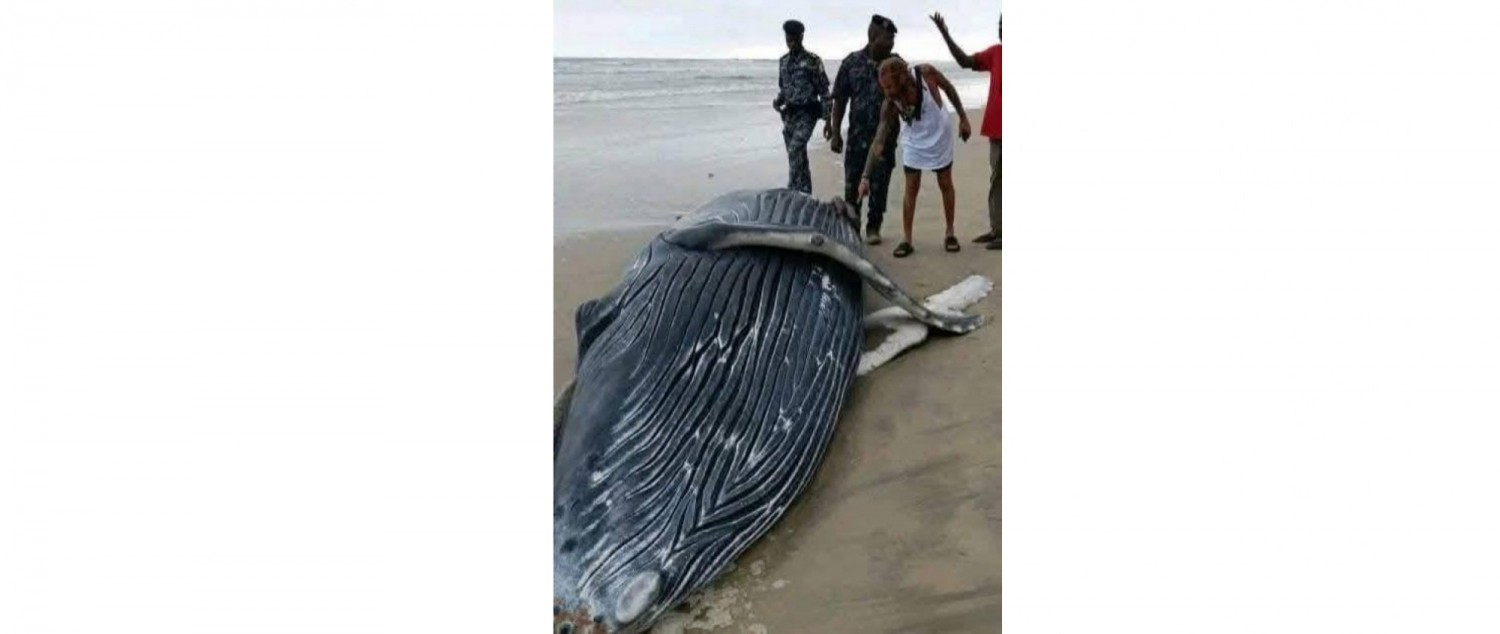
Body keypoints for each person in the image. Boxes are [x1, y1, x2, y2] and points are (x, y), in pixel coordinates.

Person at [857, 57, 971, 257]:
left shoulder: (926, 74)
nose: (887, 92)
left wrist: (963, 117)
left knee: (945, 183)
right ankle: (906, 239)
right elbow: (879, 141)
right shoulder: (891, 104)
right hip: (914, 139)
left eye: (889, 86)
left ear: (902, 77)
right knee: (911, 187)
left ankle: (950, 232)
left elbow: (949, 88)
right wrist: (865, 177)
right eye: (883, 88)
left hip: (939, 133)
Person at [932, 11, 1002, 250]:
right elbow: (964, 61)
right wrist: (946, 34)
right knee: (997, 180)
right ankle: (998, 229)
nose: (1002, 29)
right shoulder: (996, 53)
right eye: (1000, 25)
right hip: (998, 131)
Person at [830, 15, 900, 245]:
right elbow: (840, 99)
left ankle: (873, 226)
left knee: (880, 184)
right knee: (852, 185)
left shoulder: (895, 64)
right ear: (873, 37)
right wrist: (835, 130)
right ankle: (852, 227)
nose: (891, 44)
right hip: (857, 138)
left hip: (885, 139)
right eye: (887, 39)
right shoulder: (851, 62)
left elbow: (906, 98)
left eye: (892, 40)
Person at [773, 20, 831, 194]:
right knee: (798, 156)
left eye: (794, 38)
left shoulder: (813, 61)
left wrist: (828, 121)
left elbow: (825, 93)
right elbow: (785, 88)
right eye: (788, 38)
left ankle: (793, 189)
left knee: (795, 149)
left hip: (808, 113)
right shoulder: (783, 62)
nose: (791, 42)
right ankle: (805, 191)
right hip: (790, 115)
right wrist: (778, 101)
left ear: (801, 37)